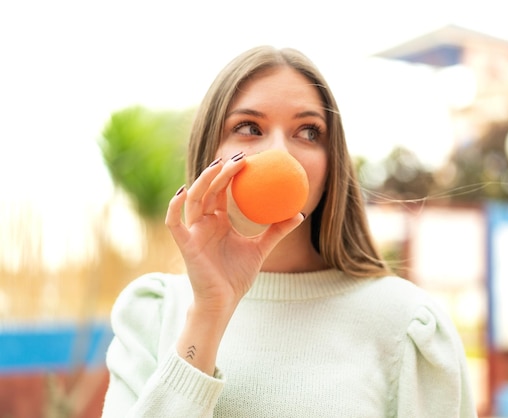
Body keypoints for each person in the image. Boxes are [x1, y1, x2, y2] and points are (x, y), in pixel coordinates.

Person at [101, 45, 477, 417]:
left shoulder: (407, 324)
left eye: (309, 132)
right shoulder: (153, 313)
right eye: (249, 128)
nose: (280, 153)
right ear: (209, 153)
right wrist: (210, 312)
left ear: (333, 164)